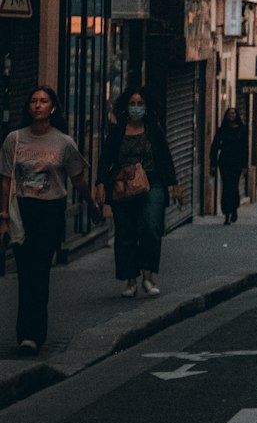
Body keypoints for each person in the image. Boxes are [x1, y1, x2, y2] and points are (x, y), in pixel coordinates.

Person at [0, 87, 100, 354]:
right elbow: (6, 180)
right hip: (22, 210)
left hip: (50, 211)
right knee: (26, 273)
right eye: (33, 101)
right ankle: (26, 335)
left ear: (52, 108)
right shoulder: (15, 139)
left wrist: (90, 204)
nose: (37, 105)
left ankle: (35, 334)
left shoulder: (63, 142)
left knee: (40, 271)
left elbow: (77, 178)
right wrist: (4, 217)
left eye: (43, 101)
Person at [96, 88, 181, 298]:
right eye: (132, 103)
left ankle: (148, 277)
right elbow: (105, 158)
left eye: (140, 103)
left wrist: (174, 184)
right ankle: (130, 279)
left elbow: (165, 157)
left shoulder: (153, 129)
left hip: (152, 184)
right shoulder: (117, 131)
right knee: (125, 232)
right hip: (123, 186)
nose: (136, 108)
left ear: (147, 106)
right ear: (125, 107)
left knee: (150, 227)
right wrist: (99, 184)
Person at [210, 107, 248, 225]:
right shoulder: (222, 130)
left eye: (233, 113)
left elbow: (245, 148)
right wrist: (213, 163)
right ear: (226, 116)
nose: (231, 116)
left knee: (234, 186)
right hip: (225, 161)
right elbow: (215, 146)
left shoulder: (242, 130)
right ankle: (226, 213)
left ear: (237, 115)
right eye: (229, 114)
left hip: (237, 161)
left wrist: (244, 165)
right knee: (226, 186)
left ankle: (234, 208)